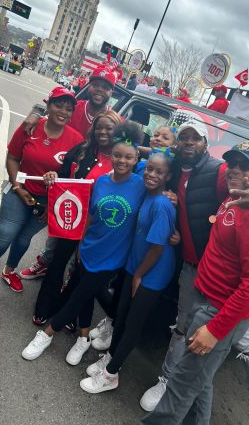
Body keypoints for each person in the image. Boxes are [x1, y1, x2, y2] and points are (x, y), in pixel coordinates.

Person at [140, 119, 249, 425]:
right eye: (233, 163)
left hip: (218, 311)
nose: (236, 170)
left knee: (180, 387)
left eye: (246, 167)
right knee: (198, 385)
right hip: (202, 296)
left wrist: (216, 328)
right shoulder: (231, 196)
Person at [21, 121, 146, 364]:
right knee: (85, 294)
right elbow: (88, 216)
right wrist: (79, 245)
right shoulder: (101, 182)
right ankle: (83, 337)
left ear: (136, 159)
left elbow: (167, 160)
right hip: (88, 248)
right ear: (111, 156)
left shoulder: (142, 186)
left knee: (80, 294)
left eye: (128, 157)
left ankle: (47, 334)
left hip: (114, 257)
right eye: (117, 155)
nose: (122, 161)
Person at [80, 151, 176, 393]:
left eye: (159, 172)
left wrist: (139, 275)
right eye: (149, 169)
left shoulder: (162, 204)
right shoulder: (148, 193)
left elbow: (157, 248)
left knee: (132, 324)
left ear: (169, 176)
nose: (152, 174)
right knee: (121, 316)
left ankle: (111, 375)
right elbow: (135, 156)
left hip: (150, 273)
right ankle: (110, 358)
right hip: (136, 266)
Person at [0, 87, 82, 296]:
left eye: (69, 108)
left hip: (48, 201)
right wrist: (16, 186)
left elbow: (74, 176)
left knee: (24, 239)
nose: (63, 111)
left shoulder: (76, 140)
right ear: (48, 106)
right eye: (58, 105)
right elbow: (13, 157)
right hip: (20, 190)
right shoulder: (30, 127)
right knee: (6, 233)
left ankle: (9, 270)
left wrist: (52, 203)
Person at [27, 110, 122, 324]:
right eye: (99, 127)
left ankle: (67, 311)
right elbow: (61, 176)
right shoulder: (82, 150)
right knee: (58, 262)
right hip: (74, 219)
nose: (103, 132)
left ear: (118, 131)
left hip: (100, 226)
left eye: (109, 128)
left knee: (81, 270)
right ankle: (44, 306)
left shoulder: (123, 157)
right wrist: (54, 177)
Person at [22, 66, 116, 140]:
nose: (99, 90)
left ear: (111, 92)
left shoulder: (115, 121)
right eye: (95, 85)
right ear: (88, 86)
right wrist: (36, 113)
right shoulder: (74, 107)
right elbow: (50, 114)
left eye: (105, 88)